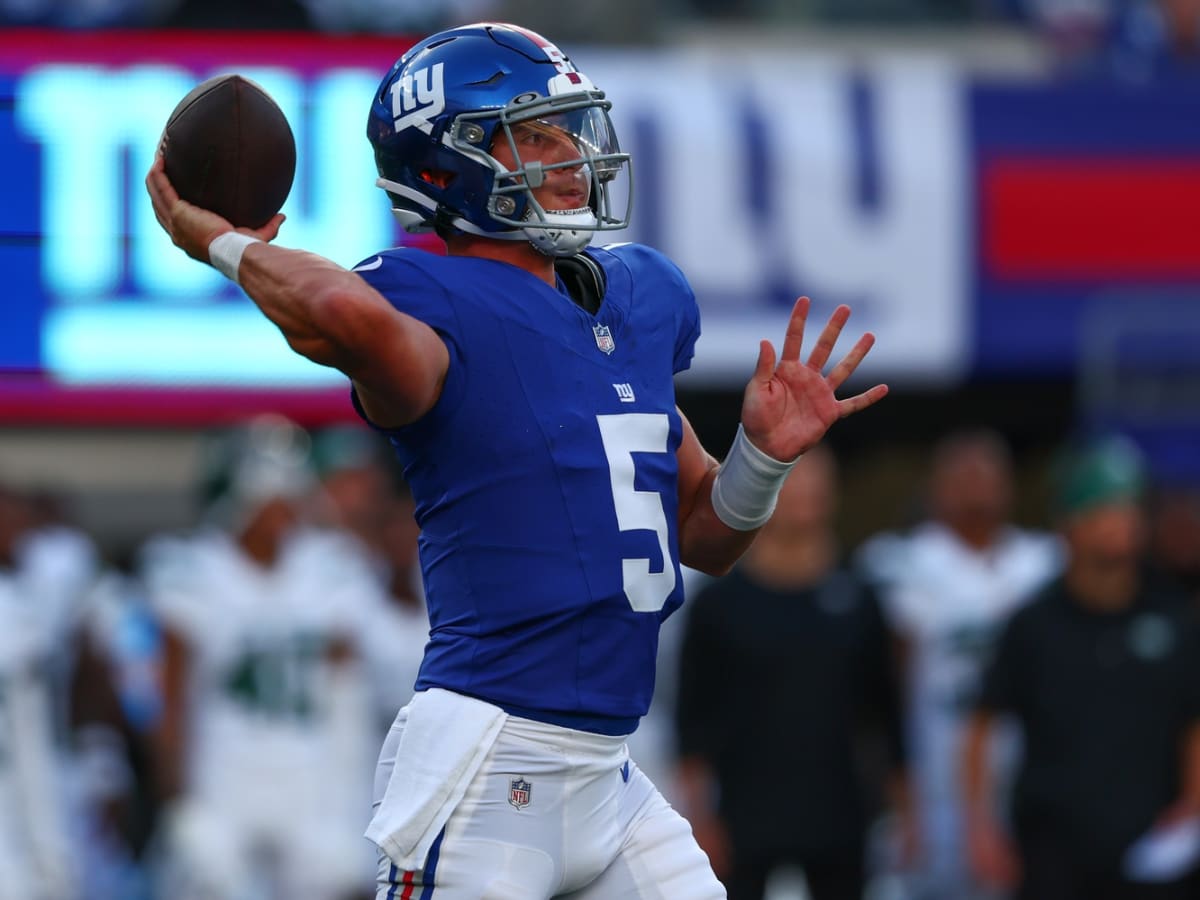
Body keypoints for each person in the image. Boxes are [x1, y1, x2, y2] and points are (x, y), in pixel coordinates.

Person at [145, 22, 887, 899]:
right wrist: (227, 246)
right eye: (534, 134)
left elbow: (704, 536)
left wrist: (760, 458)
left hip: (609, 771)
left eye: (570, 129)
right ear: (444, 165)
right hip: (488, 762)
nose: (569, 154)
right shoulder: (426, 302)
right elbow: (344, 319)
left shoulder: (631, 301)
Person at [140, 416, 388, 900]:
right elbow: (167, 702)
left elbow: (347, 700)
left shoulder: (332, 568)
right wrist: (175, 803)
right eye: (269, 502)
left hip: (308, 774)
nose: (283, 514)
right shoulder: (192, 571)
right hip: (223, 771)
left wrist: (352, 803)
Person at [962, 435, 1200, 900]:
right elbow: (981, 727)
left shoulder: (1172, 617)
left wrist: (1193, 805)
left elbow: (1194, 721)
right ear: (1069, 523)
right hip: (1052, 846)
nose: (1121, 524)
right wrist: (980, 826)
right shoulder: (1033, 624)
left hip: (1153, 845)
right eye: (1105, 509)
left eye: (1130, 509)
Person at [674, 444, 912, 900]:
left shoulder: (860, 598)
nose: (806, 496)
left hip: (840, 812)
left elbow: (885, 711)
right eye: (794, 483)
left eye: (817, 486)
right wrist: (697, 818)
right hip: (742, 814)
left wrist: (905, 808)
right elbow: (693, 719)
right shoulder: (718, 605)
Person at [855, 428, 1063, 900]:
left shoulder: (1045, 562)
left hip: (1029, 771)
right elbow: (882, 683)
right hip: (932, 773)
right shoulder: (901, 560)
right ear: (935, 486)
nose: (976, 485)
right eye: (963, 473)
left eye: (987, 473)